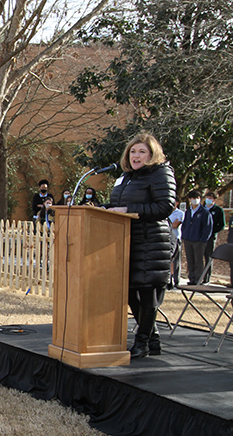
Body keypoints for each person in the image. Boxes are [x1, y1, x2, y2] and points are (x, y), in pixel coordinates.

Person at [107, 131, 176, 358]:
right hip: (128, 241)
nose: (136, 156)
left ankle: (142, 342)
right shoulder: (127, 177)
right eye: (133, 151)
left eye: (142, 152)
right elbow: (119, 204)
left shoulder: (161, 173)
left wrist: (130, 211)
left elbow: (165, 207)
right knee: (129, 292)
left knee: (148, 294)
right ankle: (152, 339)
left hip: (152, 242)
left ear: (152, 154)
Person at [181, 190, 213, 286]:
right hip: (188, 239)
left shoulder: (204, 212)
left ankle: (198, 279)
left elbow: (208, 227)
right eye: (193, 198)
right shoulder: (188, 211)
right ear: (190, 199)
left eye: (197, 198)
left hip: (198, 241)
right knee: (190, 260)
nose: (195, 200)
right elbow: (185, 224)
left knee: (198, 260)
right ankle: (192, 278)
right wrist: (185, 236)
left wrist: (203, 240)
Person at [202, 191, 226, 284]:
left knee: (208, 257)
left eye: (211, 198)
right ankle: (197, 277)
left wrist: (211, 232)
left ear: (214, 200)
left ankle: (206, 278)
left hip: (211, 237)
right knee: (199, 257)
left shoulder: (218, 210)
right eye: (208, 197)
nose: (209, 199)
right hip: (200, 237)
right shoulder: (202, 209)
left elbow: (222, 225)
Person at [168, 201, 184, 289]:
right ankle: (168, 281)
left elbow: (175, 225)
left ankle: (176, 281)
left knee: (176, 261)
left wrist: (168, 224)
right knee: (168, 261)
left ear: (177, 203)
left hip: (176, 239)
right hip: (167, 238)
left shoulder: (180, 213)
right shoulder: (166, 212)